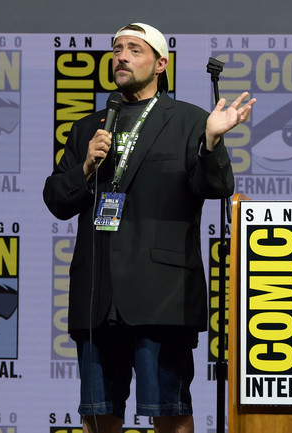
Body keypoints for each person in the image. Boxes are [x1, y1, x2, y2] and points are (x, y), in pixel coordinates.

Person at [43, 22, 256, 433]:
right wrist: (85, 168)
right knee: (97, 413)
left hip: (162, 295)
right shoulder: (88, 127)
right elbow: (56, 199)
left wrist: (212, 142)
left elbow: (216, 187)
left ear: (160, 64)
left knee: (169, 411)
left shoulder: (191, 121)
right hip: (97, 294)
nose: (121, 56)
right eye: (117, 49)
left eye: (134, 50)